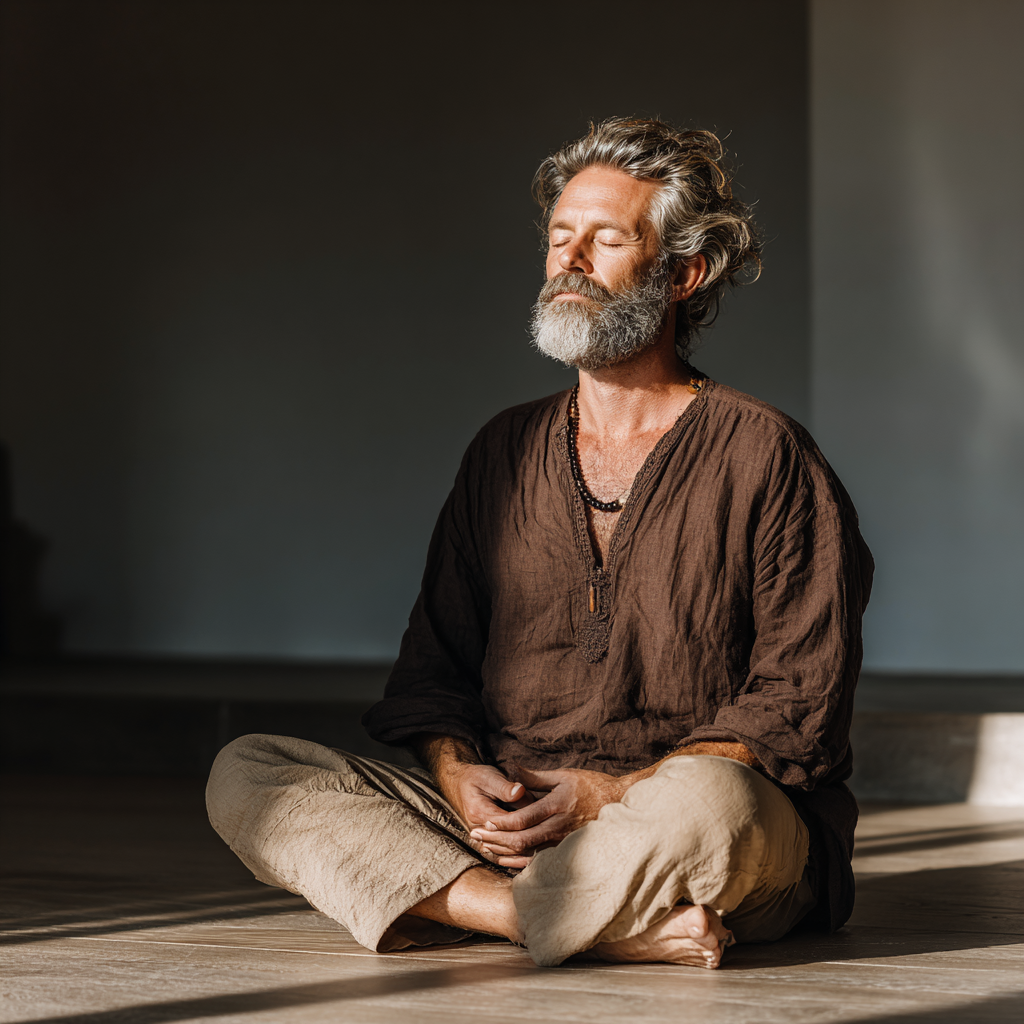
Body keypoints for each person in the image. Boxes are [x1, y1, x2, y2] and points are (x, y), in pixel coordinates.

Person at [206, 117, 873, 969]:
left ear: (684, 273)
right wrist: (456, 777)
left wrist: (612, 796)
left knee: (715, 802)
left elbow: (796, 708)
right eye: (561, 238)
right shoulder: (502, 450)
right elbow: (432, 676)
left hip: (683, 821)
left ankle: (482, 905)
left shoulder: (767, 453)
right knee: (249, 772)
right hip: (514, 827)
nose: (571, 261)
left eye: (606, 239)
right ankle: (555, 919)